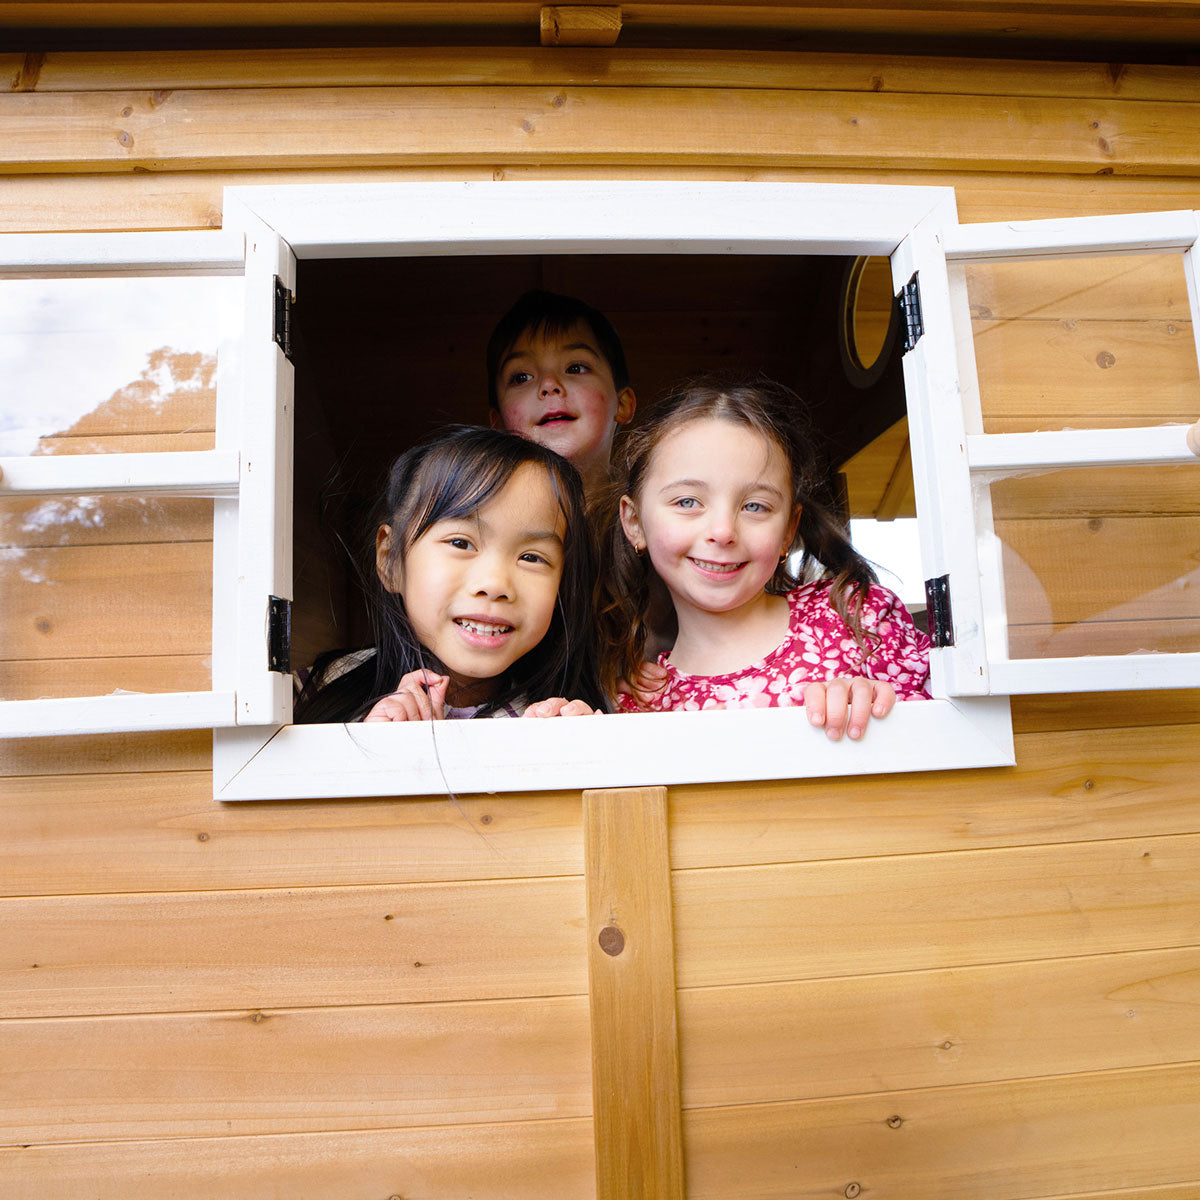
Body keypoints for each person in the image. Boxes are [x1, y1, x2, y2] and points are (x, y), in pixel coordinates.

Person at [596, 377, 931, 740]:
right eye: (688, 502)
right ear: (634, 522)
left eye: (755, 506)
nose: (723, 531)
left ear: (788, 529)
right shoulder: (641, 705)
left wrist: (888, 711)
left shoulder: (856, 618)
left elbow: (958, 736)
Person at [294, 425, 605, 723]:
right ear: (391, 560)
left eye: (531, 557)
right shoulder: (309, 692)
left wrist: (578, 749)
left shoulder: (551, 720)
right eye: (460, 543)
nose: (495, 584)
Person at [487, 289, 637, 499]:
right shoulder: (483, 514)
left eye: (575, 368)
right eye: (522, 377)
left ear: (622, 404)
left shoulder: (653, 509)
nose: (549, 385)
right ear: (498, 424)